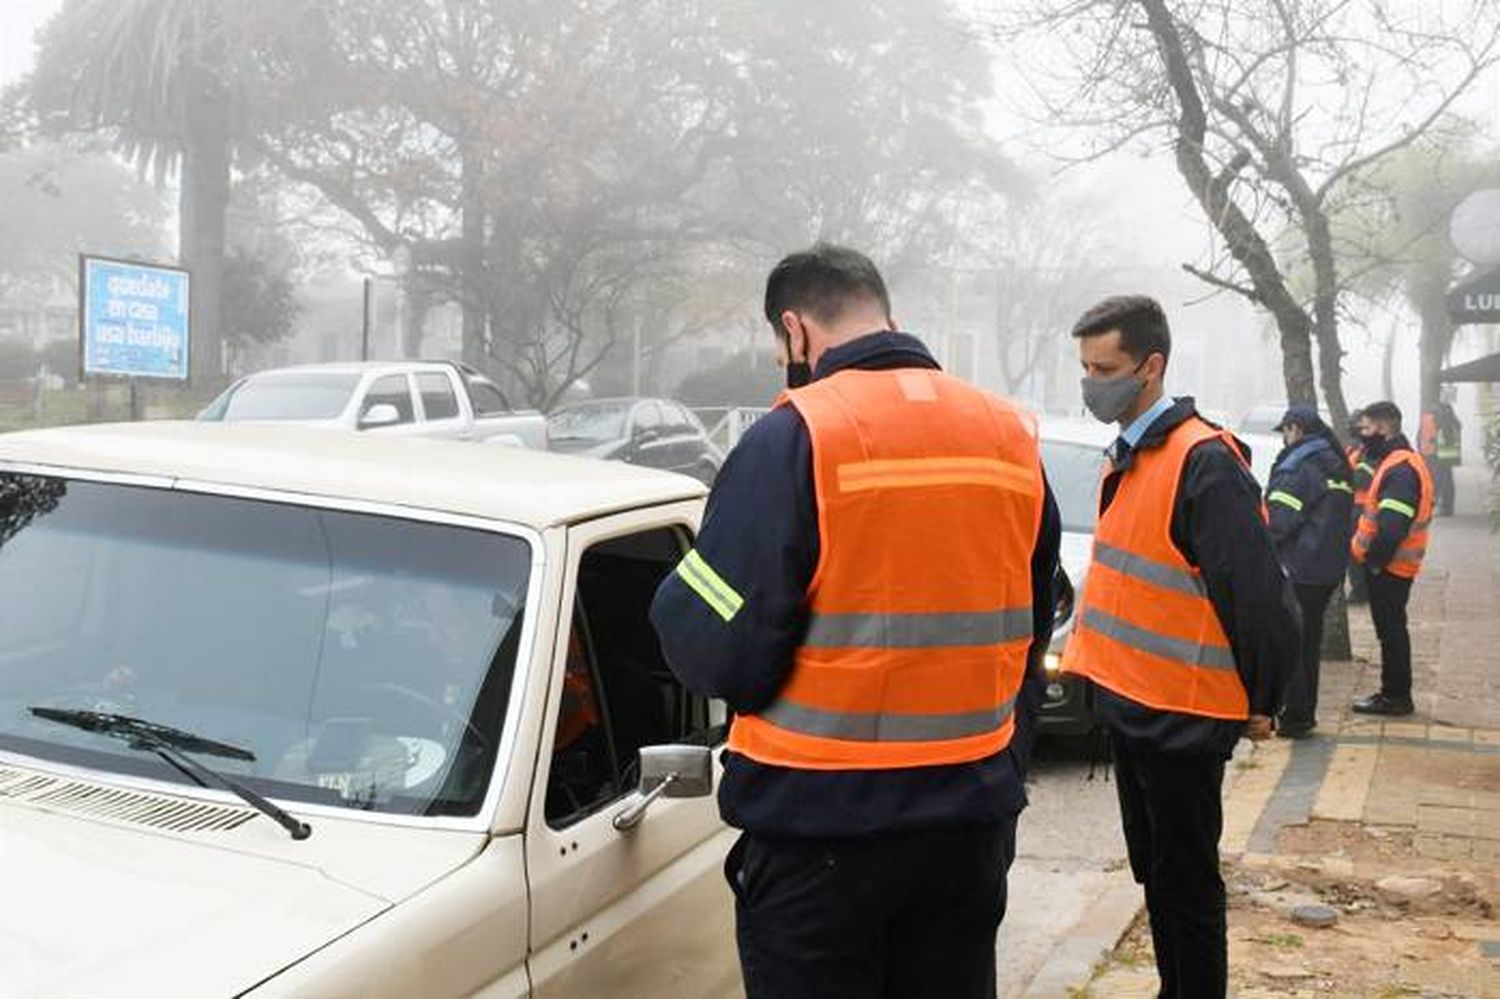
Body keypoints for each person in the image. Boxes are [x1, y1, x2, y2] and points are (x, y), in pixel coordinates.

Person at [648, 242, 1061, 999]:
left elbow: (720, 652)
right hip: (968, 827)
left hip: (819, 833)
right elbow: (1033, 624)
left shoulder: (794, 437)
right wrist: (1002, 761)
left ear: (795, 332)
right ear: (888, 317)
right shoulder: (1010, 437)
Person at [1058, 295, 1297, 999]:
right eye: (1085, 366)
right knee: (1157, 871)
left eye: (1106, 367)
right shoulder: (1132, 454)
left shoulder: (1204, 462)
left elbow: (1258, 598)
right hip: (1134, 703)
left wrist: (1264, 698)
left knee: (1186, 880)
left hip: (1184, 713)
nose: (1092, 381)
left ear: (1150, 365)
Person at [1266, 405, 1355, 738]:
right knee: (1308, 643)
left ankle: (1295, 715)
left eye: (1285, 432)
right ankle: (1304, 713)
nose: (1284, 439)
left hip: (1298, 568)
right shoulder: (1335, 462)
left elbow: (1278, 521)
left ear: (1296, 428)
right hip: (1326, 569)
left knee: (1291, 643)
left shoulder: (1299, 465)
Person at [1350, 400, 1434, 716]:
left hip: (1390, 566)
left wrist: (1373, 562)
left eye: (1367, 427)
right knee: (1392, 630)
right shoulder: (1399, 462)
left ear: (1385, 426)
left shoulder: (1400, 469)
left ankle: (1396, 696)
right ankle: (1394, 692)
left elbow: (1392, 527)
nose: (1363, 434)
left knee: (1391, 631)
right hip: (1393, 564)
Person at [1345, 409, 1374, 604]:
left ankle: (1361, 591)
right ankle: (1361, 589)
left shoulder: (1368, 451)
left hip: (1362, 507)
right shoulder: (1353, 449)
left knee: (1357, 552)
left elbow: (1363, 478)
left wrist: (1344, 477)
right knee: (1355, 552)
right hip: (1352, 506)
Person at [1419, 389, 1463, 517]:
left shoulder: (1440, 412)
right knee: (1444, 479)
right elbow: (1457, 427)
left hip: (1436, 452)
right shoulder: (1443, 411)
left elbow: (1448, 430)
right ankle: (1444, 507)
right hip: (1439, 452)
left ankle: (1437, 506)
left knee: (1438, 479)